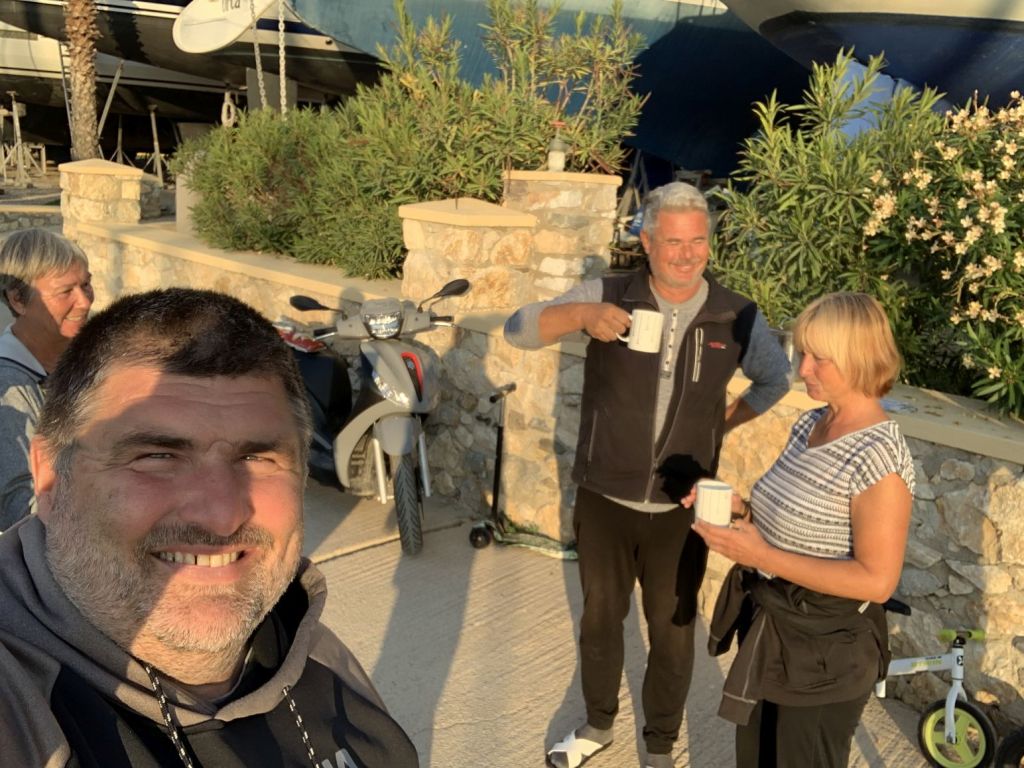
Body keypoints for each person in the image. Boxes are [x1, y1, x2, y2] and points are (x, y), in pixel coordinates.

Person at [0, 288, 419, 767]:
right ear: (50, 476)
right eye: (157, 456)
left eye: (257, 458)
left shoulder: (313, 652)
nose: (221, 516)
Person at [504, 181, 791, 768]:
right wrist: (582, 315)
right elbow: (518, 328)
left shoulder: (735, 314)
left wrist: (722, 424)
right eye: (673, 242)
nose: (687, 255)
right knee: (600, 622)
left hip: (682, 508)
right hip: (605, 496)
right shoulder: (610, 293)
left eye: (698, 241)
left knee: (673, 633)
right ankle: (598, 724)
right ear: (648, 242)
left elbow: (775, 380)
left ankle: (659, 746)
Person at [693, 292, 915, 768]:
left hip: (825, 654)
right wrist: (738, 510)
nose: (803, 369)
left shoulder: (879, 458)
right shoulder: (811, 423)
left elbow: (877, 581)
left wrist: (761, 558)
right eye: (802, 353)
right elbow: (790, 525)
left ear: (859, 359)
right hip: (773, 630)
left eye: (819, 358)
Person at [0, 228, 93, 530]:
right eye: (66, 292)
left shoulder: (91, 357)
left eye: (86, 284)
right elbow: (21, 512)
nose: (84, 302)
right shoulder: (9, 384)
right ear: (18, 300)